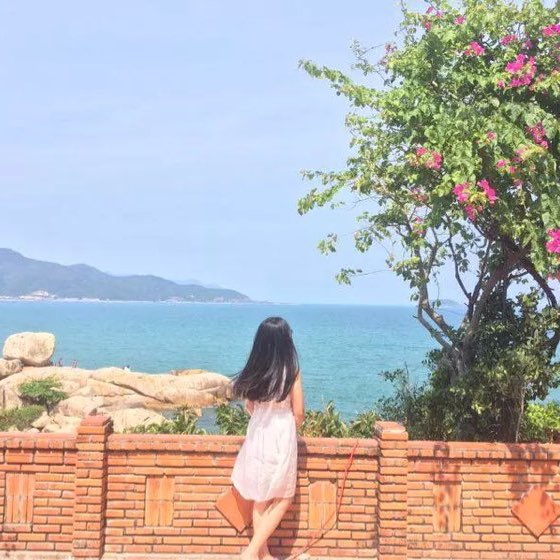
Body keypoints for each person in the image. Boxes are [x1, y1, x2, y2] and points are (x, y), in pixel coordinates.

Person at [231, 316, 305, 560]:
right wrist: (289, 427)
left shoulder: (255, 371)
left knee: (261, 498)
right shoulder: (291, 372)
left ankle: (264, 555)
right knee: (284, 497)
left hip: (258, 434)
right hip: (281, 434)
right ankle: (251, 553)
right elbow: (299, 412)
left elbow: (250, 407)